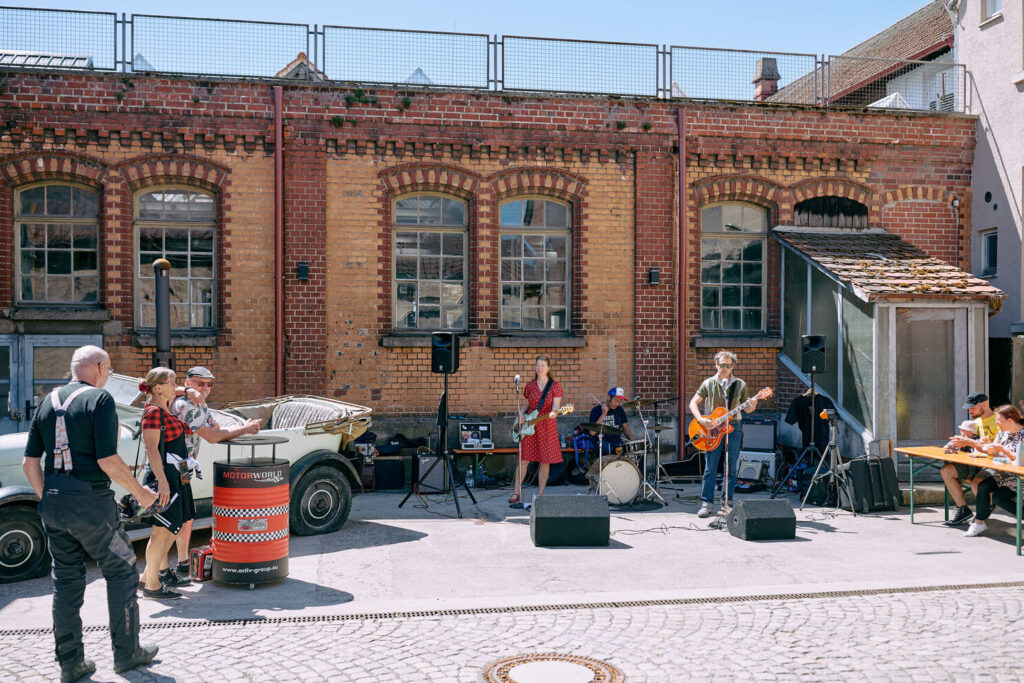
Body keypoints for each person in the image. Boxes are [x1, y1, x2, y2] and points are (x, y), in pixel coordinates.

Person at [21, 345, 159, 682]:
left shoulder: (47, 401)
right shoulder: (100, 400)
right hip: (92, 505)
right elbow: (107, 460)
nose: (108, 376)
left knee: (66, 584)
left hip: (54, 504)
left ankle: (70, 664)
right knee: (122, 571)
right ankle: (126, 654)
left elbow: (29, 463)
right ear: (99, 367)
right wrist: (140, 492)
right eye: (108, 370)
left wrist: (50, 497)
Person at [165, 366, 260, 580]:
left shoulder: (199, 405)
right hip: (172, 466)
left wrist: (242, 427)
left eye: (209, 384)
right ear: (188, 384)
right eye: (200, 383)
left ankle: (182, 565)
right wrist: (245, 430)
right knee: (169, 520)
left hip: (183, 467)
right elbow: (212, 437)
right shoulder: (185, 405)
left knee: (185, 517)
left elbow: (217, 428)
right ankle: (158, 573)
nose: (205, 388)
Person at [137, 367, 193, 600]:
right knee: (161, 532)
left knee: (170, 528)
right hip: (165, 478)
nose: (175, 386)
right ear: (158, 388)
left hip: (176, 475)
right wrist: (162, 483)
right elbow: (151, 449)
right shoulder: (153, 412)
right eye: (172, 382)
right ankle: (152, 586)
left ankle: (145, 579)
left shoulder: (164, 409)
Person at [688, 350, 757, 518]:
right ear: (716, 365)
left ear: (733, 366)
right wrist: (700, 419)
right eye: (721, 365)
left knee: (731, 467)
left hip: (734, 427)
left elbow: (747, 409)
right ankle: (707, 503)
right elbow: (693, 403)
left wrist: (753, 403)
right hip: (711, 429)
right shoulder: (708, 383)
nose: (724, 368)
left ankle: (728, 502)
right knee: (710, 467)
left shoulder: (740, 384)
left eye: (728, 365)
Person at [963, 405, 1024, 537]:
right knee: (982, 486)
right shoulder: (1002, 432)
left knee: (998, 498)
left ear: (1010, 420)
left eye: (999, 420)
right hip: (1003, 472)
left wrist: (1003, 450)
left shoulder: (1022, 434)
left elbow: (1021, 460)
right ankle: (979, 523)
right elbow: (994, 452)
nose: (997, 423)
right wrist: (986, 445)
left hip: (1020, 476)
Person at [511, 355, 563, 506]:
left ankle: (540, 494)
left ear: (548, 368)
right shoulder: (530, 385)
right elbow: (527, 405)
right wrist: (521, 414)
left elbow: (556, 407)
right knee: (523, 459)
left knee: (544, 461)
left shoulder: (555, 386)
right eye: (538, 365)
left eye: (543, 365)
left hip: (547, 426)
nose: (539, 368)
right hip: (529, 425)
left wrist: (554, 413)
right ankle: (516, 493)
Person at [943, 392, 1000, 527]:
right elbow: (973, 444)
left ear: (984, 404)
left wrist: (970, 442)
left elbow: (999, 449)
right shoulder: (976, 422)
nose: (970, 411)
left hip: (995, 464)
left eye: (972, 407)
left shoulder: (999, 420)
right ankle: (963, 509)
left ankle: (982, 515)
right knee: (946, 471)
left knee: (977, 484)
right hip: (975, 463)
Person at [587, 386, 635, 453]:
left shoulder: (620, 410)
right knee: (608, 449)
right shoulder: (596, 410)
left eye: (620, 402)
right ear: (609, 397)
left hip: (617, 441)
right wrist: (603, 414)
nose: (617, 404)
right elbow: (592, 432)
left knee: (631, 450)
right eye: (615, 400)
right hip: (602, 442)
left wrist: (633, 442)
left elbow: (625, 428)